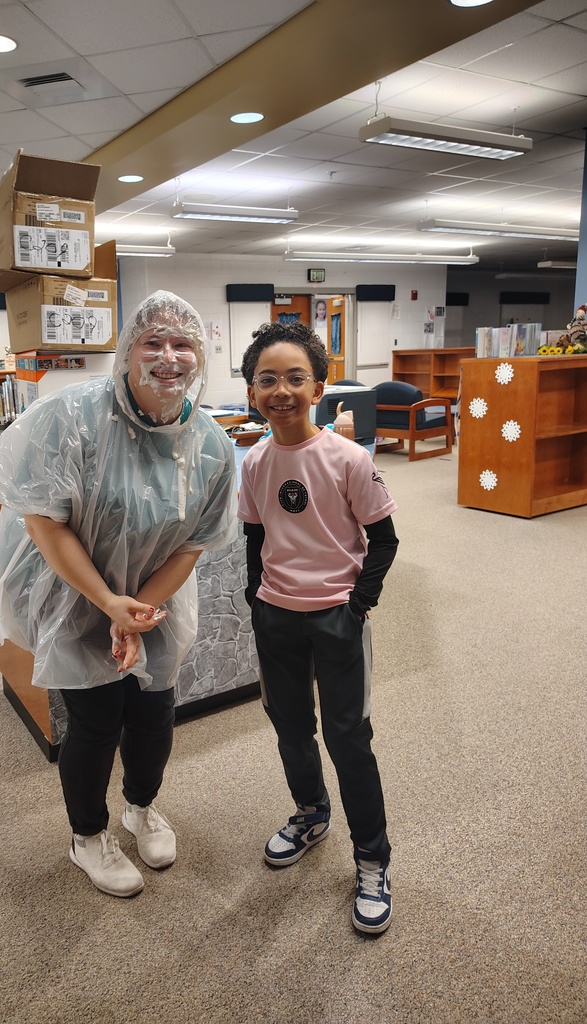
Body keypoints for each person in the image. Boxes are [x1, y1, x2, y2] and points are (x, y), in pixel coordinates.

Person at [0, 290, 238, 899]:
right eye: (153, 342)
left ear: (200, 356)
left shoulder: (210, 444)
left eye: (183, 344)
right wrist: (107, 604)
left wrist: (138, 612)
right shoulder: (70, 416)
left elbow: (196, 541)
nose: (168, 357)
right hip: (72, 592)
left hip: (154, 601)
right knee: (95, 723)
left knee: (153, 715)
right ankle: (87, 836)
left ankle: (139, 809)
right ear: (128, 351)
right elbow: (44, 521)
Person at [237, 320, 399, 934]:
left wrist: (357, 605)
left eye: (294, 378)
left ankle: (372, 861)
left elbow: (383, 539)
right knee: (290, 726)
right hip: (276, 614)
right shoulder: (254, 461)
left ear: (320, 387)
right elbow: (255, 538)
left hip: (336, 616)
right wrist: (256, 600)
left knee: (347, 737)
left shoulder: (347, 457)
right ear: (253, 392)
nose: (281, 390)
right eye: (267, 379)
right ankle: (310, 812)